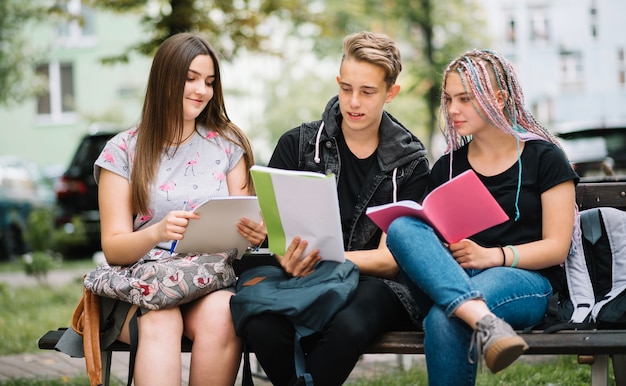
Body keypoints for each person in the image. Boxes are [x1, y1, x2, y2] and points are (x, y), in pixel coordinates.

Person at [236, 31, 430, 386]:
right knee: (262, 323)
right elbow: (274, 233)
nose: (353, 102)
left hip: (377, 285)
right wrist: (278, 249)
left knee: (350, 323)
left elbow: (390, 260)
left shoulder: (411, 163)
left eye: (368, 92)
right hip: (301, 277)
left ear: (391, 93)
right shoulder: (297, 145)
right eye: (346, 88)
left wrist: (327, 259)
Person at [385, 49, 580, 385]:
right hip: (452, 275)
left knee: (444, 319)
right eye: (448, 99)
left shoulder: (544, 157)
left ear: (500, 98)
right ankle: (483, 320)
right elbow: (429, 237)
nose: (452, 109)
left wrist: (493, 256)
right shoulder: (447, 166)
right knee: (402, 226)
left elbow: (557, 247)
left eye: (465, 98)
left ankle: (475, 314)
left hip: (524, 279)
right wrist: (445, 250)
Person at [91, 33, 256, 385]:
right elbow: (114, 247)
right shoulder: (122, 150)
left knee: (224, 316)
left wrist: (256, 232)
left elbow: (247, 220)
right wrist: (157, 231)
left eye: (209, 82)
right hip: (141, 286)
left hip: (207, 280)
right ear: (166, 79)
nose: (202, 90)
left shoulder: (228, 145)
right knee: (161, 317)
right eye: (191, 78)